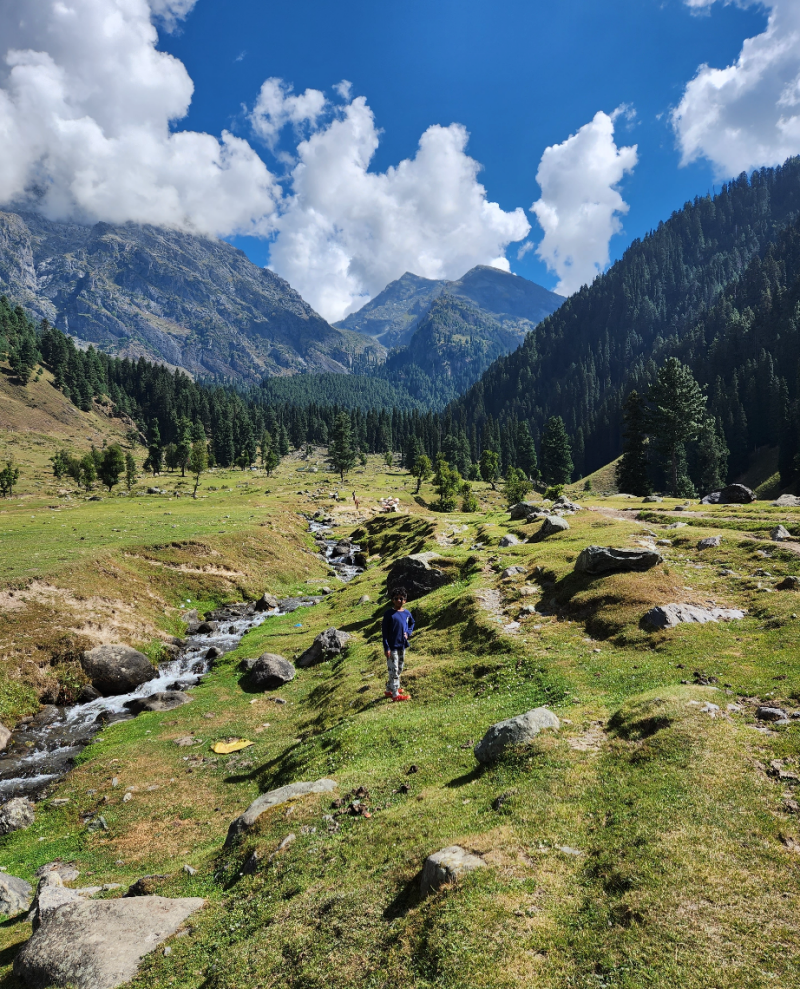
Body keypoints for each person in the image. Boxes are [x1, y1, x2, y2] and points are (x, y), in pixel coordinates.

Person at [382, 586, 414, 702]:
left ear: (405, 600)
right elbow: (384, 632)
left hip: (402, 645)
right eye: (396, 599)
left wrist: (408, 633)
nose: (398, 601)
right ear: (392, 600)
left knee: (399, 668)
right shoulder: (389, 614)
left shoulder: (406, 613)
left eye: (401, 598)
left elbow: (412, 623)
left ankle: (389, 689)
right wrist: (386, 647)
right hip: (391, 647)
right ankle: (395, 695)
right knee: (394, 670)